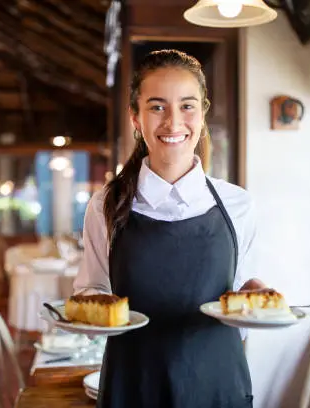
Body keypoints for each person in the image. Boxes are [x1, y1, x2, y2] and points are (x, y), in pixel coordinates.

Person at [73, 49, 265, 408]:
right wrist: (84, 306)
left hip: (218, 385)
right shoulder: (105, 206)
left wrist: (257, 294)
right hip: (133, 386)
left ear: (203, 113)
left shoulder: (238, 205)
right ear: (136, 117)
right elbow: (92, 290)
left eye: (187, 106)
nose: (174, 123)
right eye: (157, 107)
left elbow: (239, 295)